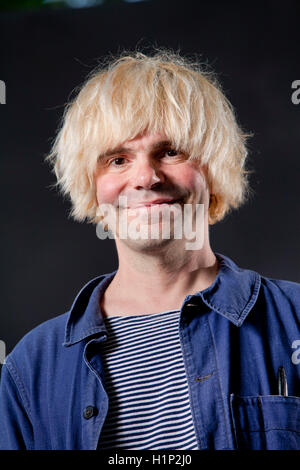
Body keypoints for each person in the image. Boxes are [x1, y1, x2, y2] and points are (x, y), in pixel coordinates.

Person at [0, 50, 300, 451]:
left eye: (171, 151)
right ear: (91, 187)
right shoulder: (31, 367)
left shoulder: (295, 320)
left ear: (213, 170)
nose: (146, 177)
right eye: (118, 159)